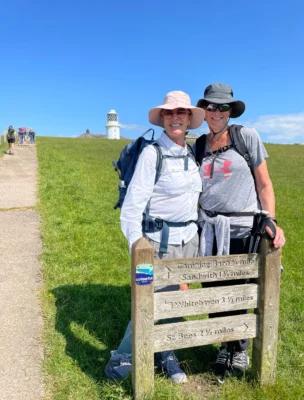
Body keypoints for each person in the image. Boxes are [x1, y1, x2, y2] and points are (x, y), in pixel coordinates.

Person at [105, 91, 205, 384]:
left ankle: (165, 352)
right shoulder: (153, 153)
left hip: (188, 241)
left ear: (189, 119)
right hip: (154, 245)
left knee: (175, 300)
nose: (176, 118)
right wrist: (139, 248)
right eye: (169, 113)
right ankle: (123, 356)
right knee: (148, 301)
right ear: (162, 118)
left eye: (182, 113)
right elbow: (132, 207)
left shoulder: (190, 153)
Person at [195, 83, 286, 381]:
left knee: (241, 292)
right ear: (204, 110)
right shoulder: (197, 145)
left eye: (222, 107)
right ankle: (224, 345)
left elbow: (264, 184)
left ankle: (240, 348)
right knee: (214, 293)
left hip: (243, 230)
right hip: (209, 232)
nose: (216, 112)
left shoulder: (246, 137)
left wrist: (270, 220)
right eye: (211, 106)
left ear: (231, 111)